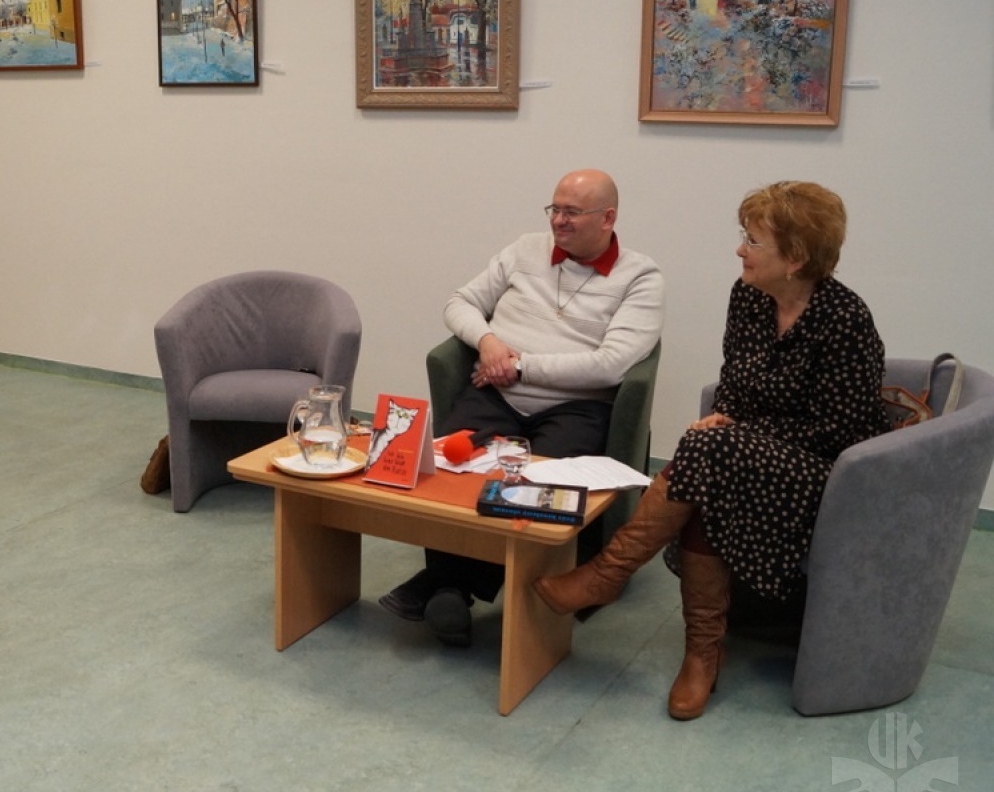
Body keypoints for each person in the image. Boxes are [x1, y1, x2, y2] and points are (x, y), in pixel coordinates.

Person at [533, 181, 887, 720]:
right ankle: (700, 651)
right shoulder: (748, 297)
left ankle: (613, 579)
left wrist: (737, 437)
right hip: (740, 456)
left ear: (795, 257)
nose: (740, 250)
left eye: (754, 241)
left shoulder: (845, 319)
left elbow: (840, 432)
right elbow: (734, 384)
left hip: (826, 472)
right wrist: (723, 419)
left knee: (711, 454)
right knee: (709, 463)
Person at [379, 169, 664, 645]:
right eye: (555, 209)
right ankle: (451, 584)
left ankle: (449, 584)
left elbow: (612, 365)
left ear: (607, 218)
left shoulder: (641, 277)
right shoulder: (523, 250)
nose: (558, 221)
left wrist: (520, 366)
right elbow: (459, 302)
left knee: (532, 487)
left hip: (576, 407)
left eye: (572, 212)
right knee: (446, 467)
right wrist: (488, 343)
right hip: (496, 393)